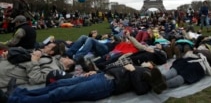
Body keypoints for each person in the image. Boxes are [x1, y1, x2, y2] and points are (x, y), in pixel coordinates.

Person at [0, 62, 166, 103]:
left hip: (105, 86)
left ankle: (14, 100)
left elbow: (140, 90)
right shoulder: (138, 68)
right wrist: (98, 71)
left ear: (151, 68)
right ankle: (19, 93)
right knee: (57, 85)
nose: (147, 62)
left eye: (150, 64)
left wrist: (131, 71)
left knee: (60, 93)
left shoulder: (144, 75)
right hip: (100, 77)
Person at [0, 41, 73, 88]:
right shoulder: (49, 58)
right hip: (5, 63)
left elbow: (36, 79)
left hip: (5, 73)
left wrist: (34, 61)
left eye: (69, 60)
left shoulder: (54, 69)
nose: (67, 57)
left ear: (66, 68)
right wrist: (9, 54)